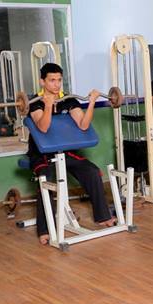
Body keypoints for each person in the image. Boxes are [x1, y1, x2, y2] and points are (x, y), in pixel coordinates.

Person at [27, 63, 116, 245]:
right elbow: (43, 128)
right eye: (52, 80)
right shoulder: (35, 102)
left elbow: (83, 125)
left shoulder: (68, 100)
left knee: (92, 171)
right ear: (42, 81)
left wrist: (91, 103)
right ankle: (45, 229)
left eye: (59, 80)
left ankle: (103, 216)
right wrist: (48, 105)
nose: (56, 84)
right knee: (46, 180)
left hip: (65, 151)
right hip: (41, 155)